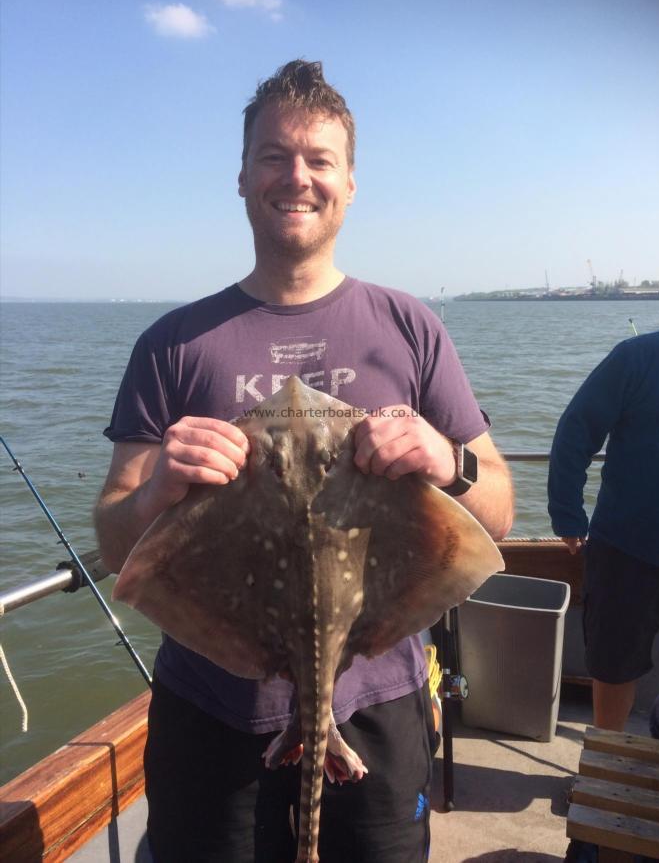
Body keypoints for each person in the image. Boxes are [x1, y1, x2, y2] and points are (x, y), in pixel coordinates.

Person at [95, 59, 513, 863]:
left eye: (319, 160)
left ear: (350, 183)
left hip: (379, 691)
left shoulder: (410, 325)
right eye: (274, 156)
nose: (297, 176)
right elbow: (119, 546)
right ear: (243, 176)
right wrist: (154, 495)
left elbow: (495, 511)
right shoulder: (172, 345)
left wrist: (445, 459)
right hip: (211, 703)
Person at [548, 330, 659, 732]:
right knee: (613, 666)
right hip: (625, 550)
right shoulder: (636, 357)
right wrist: (568, 514)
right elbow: (576, 430)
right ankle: (606, 753)